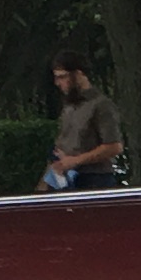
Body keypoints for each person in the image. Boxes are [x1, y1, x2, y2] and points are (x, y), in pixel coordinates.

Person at [40, 53, 124, 189]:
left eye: (62, 77)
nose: (58, 83)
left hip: (93, 179)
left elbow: (114, 146)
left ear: (78, 74)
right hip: (63, 176)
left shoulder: (101, 105)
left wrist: (75, 161)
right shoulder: (70, 105)